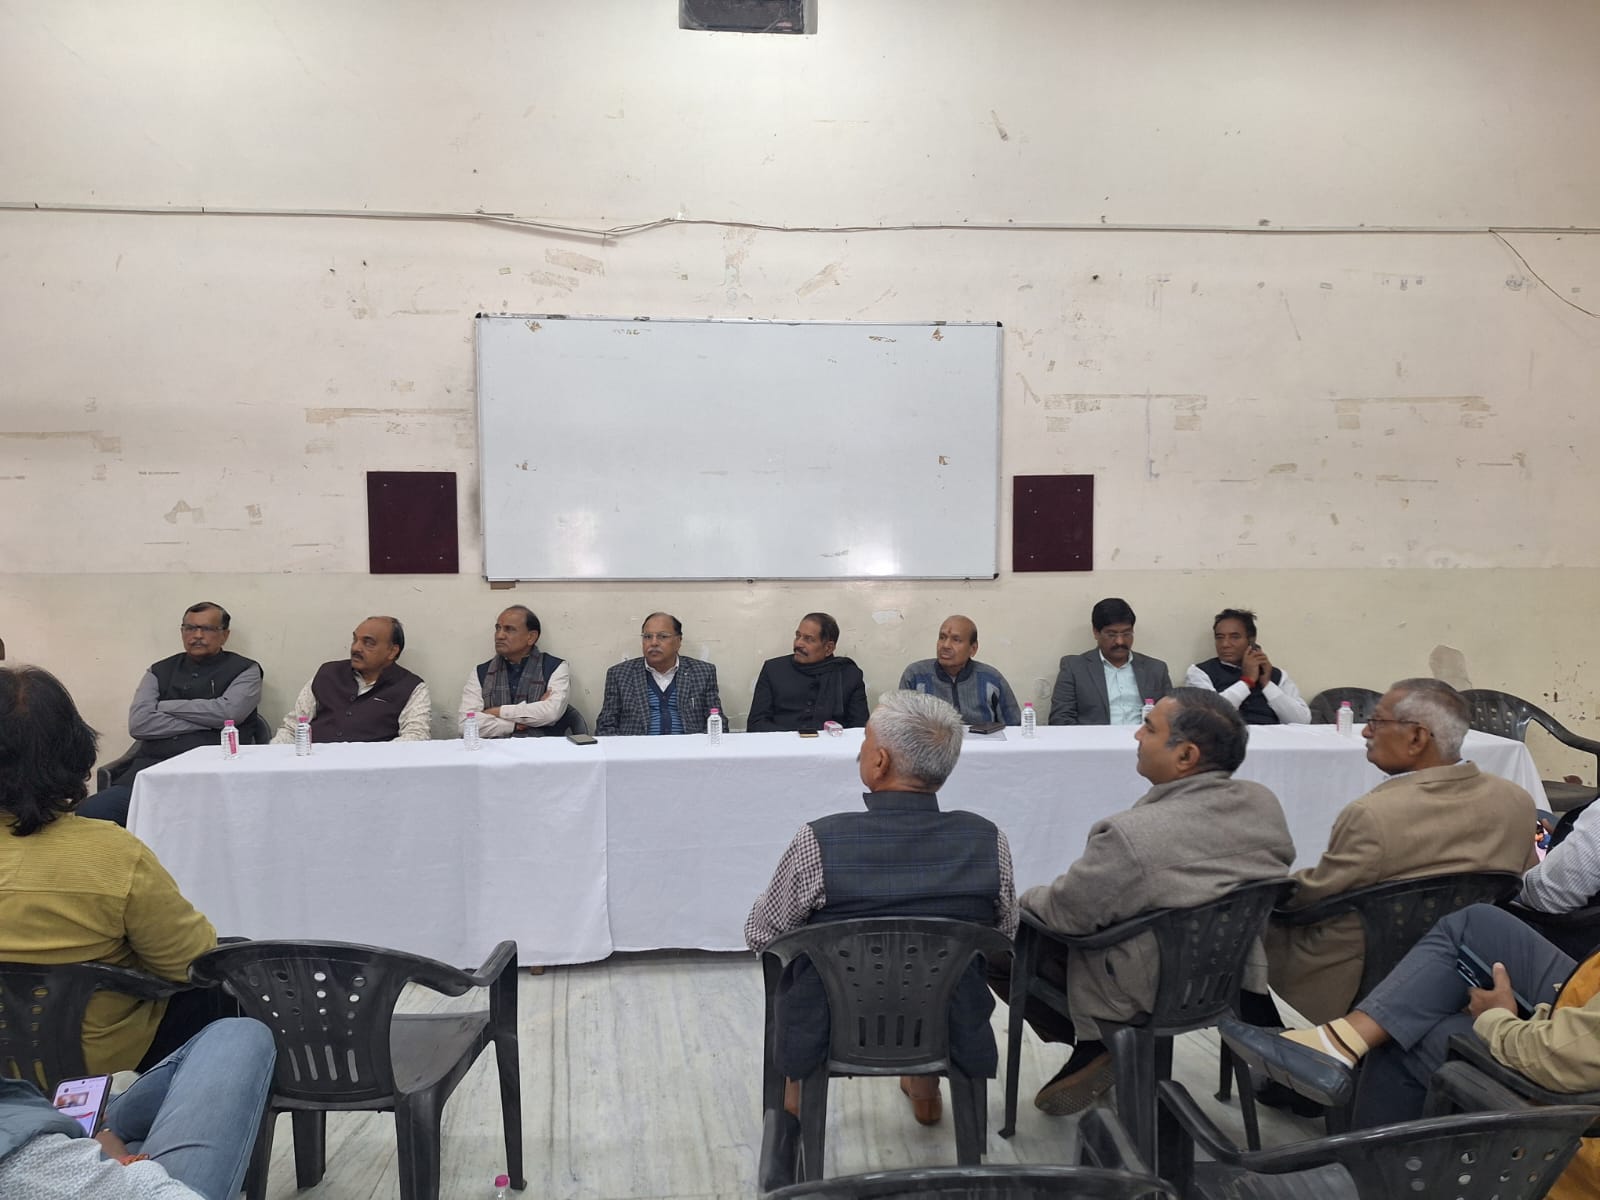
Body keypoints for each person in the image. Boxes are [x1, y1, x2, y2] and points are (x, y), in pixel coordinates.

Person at [1001, 688, 1294, 1116]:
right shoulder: (1262, 803)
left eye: (1149, 728)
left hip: (1145, 988)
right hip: (1226, 975)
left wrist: (1025, 899)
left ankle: (1098, 1043)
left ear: (1186, 755)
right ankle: (1099, 1047)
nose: (1137, 735)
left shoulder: (1132, 835)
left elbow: (1068, 914)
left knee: (1007, 939)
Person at [745, 689, 1018, 1126]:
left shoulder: (819, 840)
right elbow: (1004, 934)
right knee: (935, 968)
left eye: (866, 741)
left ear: (880, 762)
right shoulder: (987, 840)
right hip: (946, 1020)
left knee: (797, 969)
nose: (861, 750)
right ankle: (925, 1092)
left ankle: (794, 1111)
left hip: (830, 1022)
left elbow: (763, 934)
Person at [1277, 902, 1600, 1199]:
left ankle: (1359, 1181)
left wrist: (1496, 1018)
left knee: (1414, 1036)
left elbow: (1557, 1057)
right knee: (1479, 925)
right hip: (1580, 1021)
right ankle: (1339, 1044)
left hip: (1578, 1125)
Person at [1261, 679, 1537, 1024]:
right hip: (1462, 970)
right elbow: (1522, 879)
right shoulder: (1516, 801)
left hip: (1356, 975)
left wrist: (1269, 886)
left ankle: (1265, 1039)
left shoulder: (1373, 815)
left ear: (1417, 737)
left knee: (1249, 922)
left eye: (1376, 722)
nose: (1365, 732)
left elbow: (1312, 897)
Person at [0, 666, 222, 1076]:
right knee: (224, 981)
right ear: (74, 749)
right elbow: (191, 962)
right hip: (92, 1068)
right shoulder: (114, 854)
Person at [0, 1019, 276, 1200]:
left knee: (104, 1109)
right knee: (238, 1033)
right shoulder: (21, 1165)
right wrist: (123, 1159)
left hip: (35, 1097)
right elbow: (180, 961)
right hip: (103, 1040)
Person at [78, 602, 264, 825]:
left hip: (214, 777)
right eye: (190, 628)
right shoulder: (158, 671)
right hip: (150, 774)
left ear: (225, 635)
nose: (197, 635)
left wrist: (166, 707)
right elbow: (140, 724)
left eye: (206, 629)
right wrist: (210, 719)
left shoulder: (246, 670)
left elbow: (228, 713)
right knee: (92, 811)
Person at [272, 616, 430, 743]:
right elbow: (293, 727)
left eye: (368, 643)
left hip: (372, 769)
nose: (355, 648)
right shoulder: (328, 674)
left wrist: (368, 760)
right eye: (355, 640)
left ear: (392, 651)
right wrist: (274, 757)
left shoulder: (411, 687)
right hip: (313, 764)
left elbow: (416, 737)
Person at [1048, 597, 1172, 726]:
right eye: (1111, 634)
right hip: (1093, 738)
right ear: (1096, 632)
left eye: (1126, 633)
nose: (1120, 641)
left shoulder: (1156, 669)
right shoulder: (1074, 668)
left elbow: (1172, 717)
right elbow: (1061, 719)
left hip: (1143, 737)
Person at [596, 612, 722, 736]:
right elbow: (605, 726)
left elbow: (718, 723)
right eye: (647, 637)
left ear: (678, 641)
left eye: (663, 636)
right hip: (637, 748)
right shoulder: (620, 675)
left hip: (690, 748)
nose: (654, 643)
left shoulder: (702, 673)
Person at [457, 606, 571, 737]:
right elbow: (466, 725)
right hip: (494, 747)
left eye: (509, 629)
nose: (499, 636)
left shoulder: (554, 667)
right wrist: (514, 725)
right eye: (498, 628)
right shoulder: (480, 672)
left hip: (542, 746)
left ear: (531, 637)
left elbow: (551, 713)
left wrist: (495, 712)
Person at [1185, 607, 1310, 725]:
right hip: (1226, 739)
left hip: (1274, 738)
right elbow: (1208, 717)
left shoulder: (1277, 675)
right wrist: (1246, 682)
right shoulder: (1199, 672)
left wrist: (1267, 684)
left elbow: (1302, 721)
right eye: (1219, 638)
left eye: (1235, 637)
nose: (1225, 644)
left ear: (1251, 640)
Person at [747, 613, 869, 732]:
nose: (798, 643)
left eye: (808, 639)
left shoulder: (849, 675)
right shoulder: (774, 670)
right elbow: (756, 723)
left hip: (831, 744)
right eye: (798, 636)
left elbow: (859, 729)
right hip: (781, 743)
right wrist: (795, 740)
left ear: (828, 648)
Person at [897, 614, 1020, 726]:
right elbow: (900, 727)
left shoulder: (991, 679)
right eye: (942, 637)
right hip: (932, 744)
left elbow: (1015, 727)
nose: (945, 645)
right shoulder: (916, 676)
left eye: (956, 640)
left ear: (973, 649)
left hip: (983, 743)